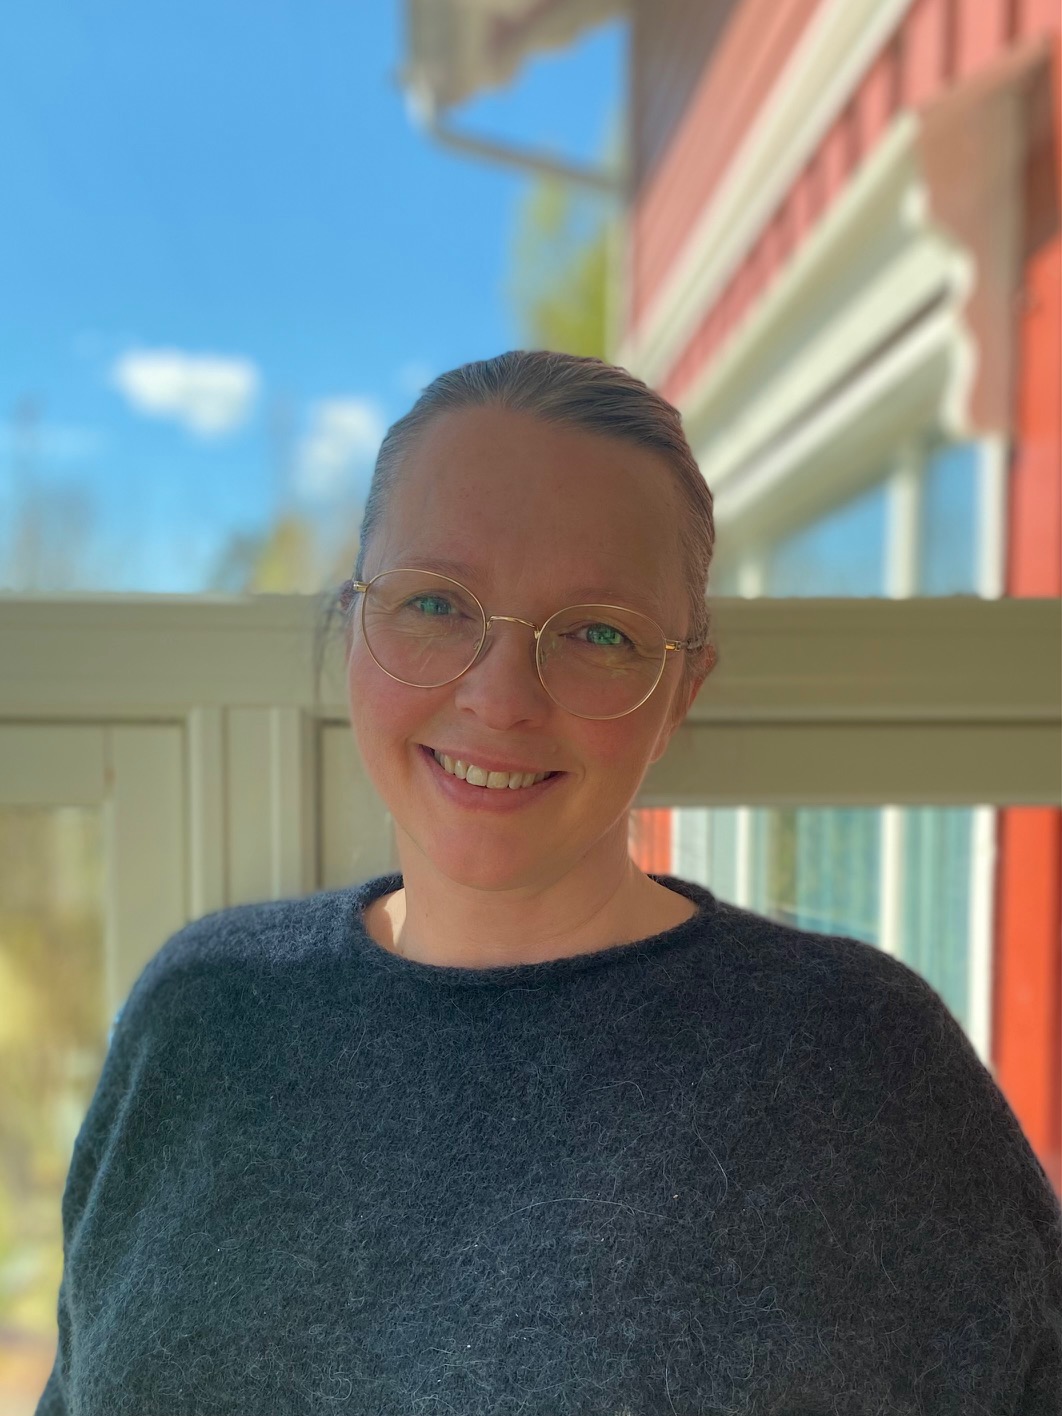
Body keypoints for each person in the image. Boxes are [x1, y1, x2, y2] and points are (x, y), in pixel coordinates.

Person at [37, 351, 1061, 1415]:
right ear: (354, 625)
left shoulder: (860, 1065)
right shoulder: (201, 1013)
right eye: (436, 604)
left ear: (681, 693)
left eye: (598, 633)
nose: (500, 699)